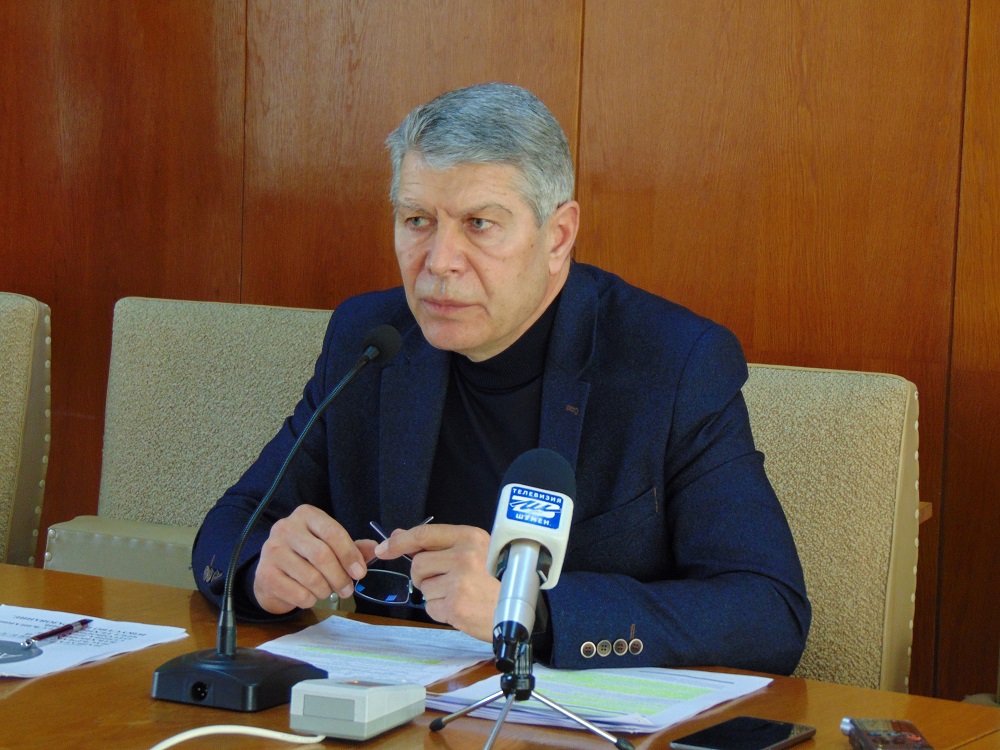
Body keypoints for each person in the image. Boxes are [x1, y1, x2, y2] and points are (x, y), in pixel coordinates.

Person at [193, 82, 810, 674]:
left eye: (479, 225)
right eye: (417, 220)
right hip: (388, 708)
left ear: (557, 237)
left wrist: (532, 612)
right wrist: (259, 570)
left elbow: (768, 612)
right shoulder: (370, 341)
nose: (439, 262)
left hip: (571, 718)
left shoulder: (672, 361)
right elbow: (232, 526)